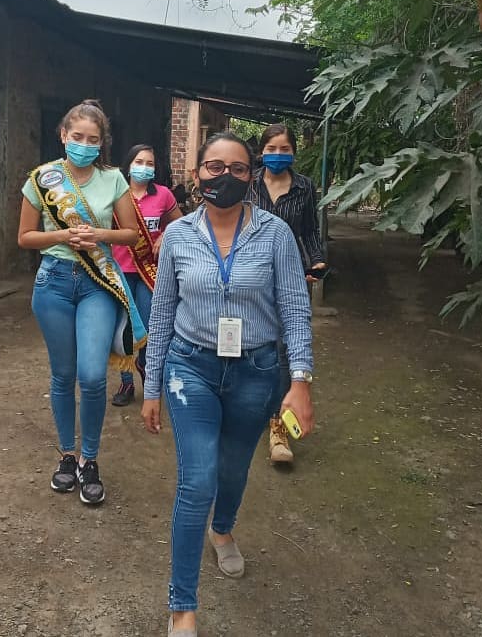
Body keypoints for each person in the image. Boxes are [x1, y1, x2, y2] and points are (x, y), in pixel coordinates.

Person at [141, 132, 314, 637]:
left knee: (233, 471)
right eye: (214, 167)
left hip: (255, 371)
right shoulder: (177, 236)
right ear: (197, 174)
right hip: (189, 368)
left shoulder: (276, 234)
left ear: (251, 176)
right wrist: (152, 387)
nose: (226, 176)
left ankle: (222, 531)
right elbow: (162, 312)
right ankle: (183, 607)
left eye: (238, 169)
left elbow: (295, 309)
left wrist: (300, 380)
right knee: (197, 481)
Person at [17, 99, 145, 506]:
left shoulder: (114, 179)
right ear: (63, 136)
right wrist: (62, 236)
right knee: (63, 374)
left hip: (96, 285)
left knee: (91, 376)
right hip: (53, 282)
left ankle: (90, 459)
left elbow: (131, 234)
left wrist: (99, 236)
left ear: (102, 142)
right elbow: (25, 237)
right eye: (77, 137)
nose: (84, 145)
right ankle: (67, 456)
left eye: (93, 139)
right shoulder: (42, 179)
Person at [248, 123, 327, 465]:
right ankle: (246, 409)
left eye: (285, 149)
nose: (278, 155)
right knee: (250, 345)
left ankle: (278, 426)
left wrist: (318, 260)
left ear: (293, 152)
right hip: (250, 276)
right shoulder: (248, 183)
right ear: (261, 152)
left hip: (290, 274)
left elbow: (309, 231)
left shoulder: (304, 187)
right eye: (272, 149)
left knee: (284, 351)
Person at [111, 145, 182, 406]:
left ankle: (146, 370)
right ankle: (126, 382)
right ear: (129, 166)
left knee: (150, 327)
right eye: (139, 161)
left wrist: (164, 235)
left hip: (149, 271)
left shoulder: (163, 195)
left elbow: (180, 222)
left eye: (149, 163)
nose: (144, 167)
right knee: (122, 328)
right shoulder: (116, 194)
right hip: (120, 270)